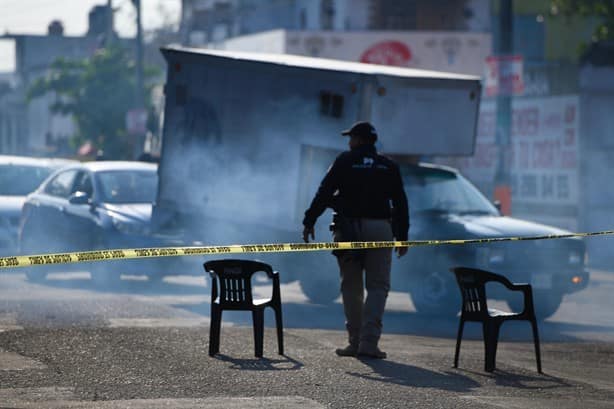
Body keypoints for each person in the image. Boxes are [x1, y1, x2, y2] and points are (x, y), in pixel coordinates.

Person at [302, 121, 409, 359]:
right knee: (378, 286)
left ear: (359, 140)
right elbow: (400, 203)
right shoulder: (388, 165)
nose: (349, 142)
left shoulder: (344, 160)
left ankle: (354, 341)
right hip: (380, 229)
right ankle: (369, 343)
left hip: (348, 230)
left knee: (351, 286)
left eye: (351, 138)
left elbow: (324, 192)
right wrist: (403, 237)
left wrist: (309, 221)